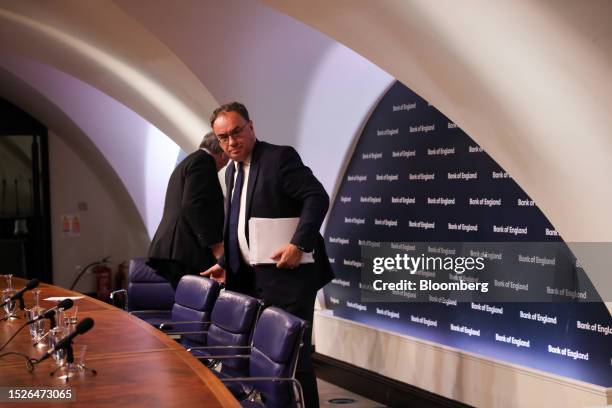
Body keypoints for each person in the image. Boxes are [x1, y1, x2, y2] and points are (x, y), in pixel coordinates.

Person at [202, 102, 334, 408]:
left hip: (290, 277)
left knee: (293, 360)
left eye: (236, 132)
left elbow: (316, 197)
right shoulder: (231, 173)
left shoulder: (279, 158)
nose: (231, 142)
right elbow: (236, 223)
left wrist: (298, 244)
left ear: (251, 127)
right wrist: (226, 264)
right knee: (264, 359)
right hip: (253, 279)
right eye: (223, 137)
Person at [147, 132, 227, 289]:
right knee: (194, 305)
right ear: (223, 153)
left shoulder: (190, 160)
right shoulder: (203, 162)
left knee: (188, 303)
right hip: (185, 248)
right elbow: (193, 206)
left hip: (176, 247)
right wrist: (215, 245)